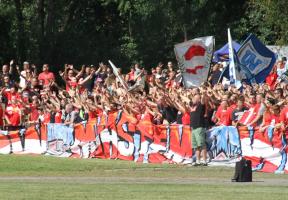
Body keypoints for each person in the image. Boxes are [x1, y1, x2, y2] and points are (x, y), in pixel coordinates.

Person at [189, 91, 208, 166]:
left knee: (202, 144)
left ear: (198, 100)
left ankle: (204, 160)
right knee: (196, 146)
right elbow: (188, 100)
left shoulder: (201, 105)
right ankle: (198, 160)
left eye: (195, 98)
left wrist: (203, 93)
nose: (193, 99)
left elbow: (203, 100)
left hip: (199, 127)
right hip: (193, 128)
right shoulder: (192, 106)